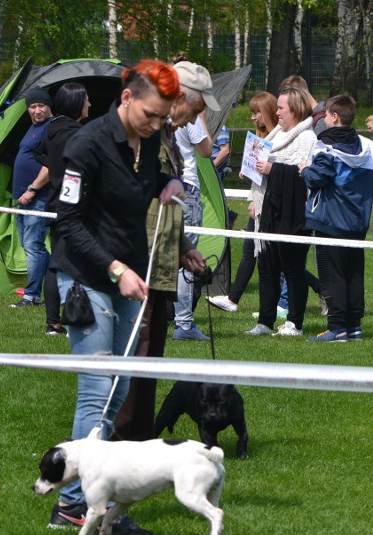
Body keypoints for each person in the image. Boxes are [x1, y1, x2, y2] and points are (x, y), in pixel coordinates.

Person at [49, 59, 186, 535]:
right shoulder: (83, 145)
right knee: (98, 391)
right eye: (151, 114)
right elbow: (66, 223)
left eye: (163, 118)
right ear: (127, 98)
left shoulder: (146, 144)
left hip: (128, 278)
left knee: (119, 391)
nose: (156, 125)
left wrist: (167, 184)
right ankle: (71, 505)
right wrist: (115, 267)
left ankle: (97, 504)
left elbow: (138, 189)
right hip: (87, 277)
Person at [111, 64, 212, 442]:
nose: (197, 117)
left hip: (163, 264)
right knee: (133, 360)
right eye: (198, 109)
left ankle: (141, 440)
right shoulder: (143, 135)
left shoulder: (166, 137)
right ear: (181, 98)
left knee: (149, 362)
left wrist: (184, 246)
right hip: (140, 265)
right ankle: (119, 443)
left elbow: (164, 201)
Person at [301, 95, 373, 342]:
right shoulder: (368, 145)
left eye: (325, 115)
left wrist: (305, 171)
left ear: (335, 117)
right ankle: (354, 325)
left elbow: (317, 178)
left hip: (330, 220)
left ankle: (337, 327)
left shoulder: (324, 145)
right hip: (358, 221)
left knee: (331, 274)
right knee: (354, 273)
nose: (324, 119)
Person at [244, 87, 316, 337]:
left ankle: (295, 322)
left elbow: (303, 175)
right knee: (267, 266)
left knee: (293, 269)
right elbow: (265, 167)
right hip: (269, 211)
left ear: (295, 110)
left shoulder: (307, 138)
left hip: (293, 215)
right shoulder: (274, 137)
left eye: (281, 108)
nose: (276, 112)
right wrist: (252, 169)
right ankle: (265, 321)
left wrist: (271, 170)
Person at [207, 91, 279, 313]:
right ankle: (233, 299)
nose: (252, 118)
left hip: (269, 206)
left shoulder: (276, 139)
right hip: (258, 203)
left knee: (277, 259)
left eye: (256, 113)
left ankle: (317, 289)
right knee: (252, 251)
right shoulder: (262, 138)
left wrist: (258, 202)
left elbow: (276, 176)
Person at [168, 60, 220, 342]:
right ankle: (184, 323)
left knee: (177, 254)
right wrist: (202, 122)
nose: (193, 117)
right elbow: (206, 150)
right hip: (186, 188)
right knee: (184, 259)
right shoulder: (189, 118)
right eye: (197, 108)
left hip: (174, 186)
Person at [33, 83, 91, 336]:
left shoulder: (53, 129)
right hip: (72, 208)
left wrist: (55, 169)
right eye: (87, 100)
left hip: (56, 203)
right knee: (62, 265)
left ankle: (55, 322)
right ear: (78, 104)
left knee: (57, 264)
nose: (90, 104)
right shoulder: (77, 133)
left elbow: (39, 154)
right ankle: (60, 322)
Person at [10, 88, 52, 308]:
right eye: (33, 107)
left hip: (38, 197)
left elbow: (50, 165)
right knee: (33, 247)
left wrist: (32, 190)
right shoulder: (33, 128)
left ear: (49, 106)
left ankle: (32, 295)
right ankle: (45, 290)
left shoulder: (50, 128)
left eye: (41, 106)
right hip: (23, 198)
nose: (37, 111)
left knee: (33, 246)